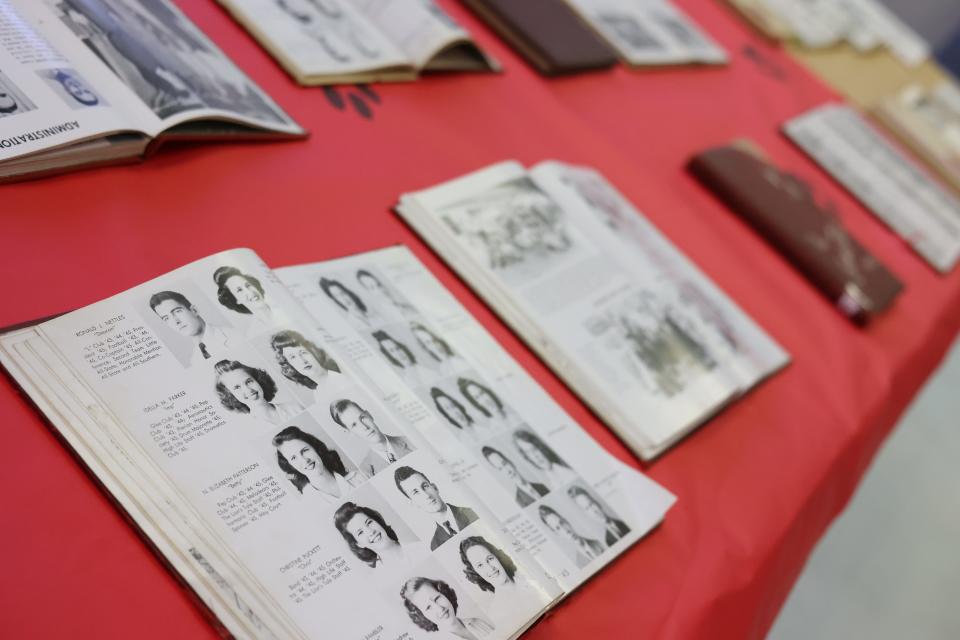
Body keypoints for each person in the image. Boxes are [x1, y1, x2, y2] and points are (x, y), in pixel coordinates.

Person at [272, 426, 365, 503]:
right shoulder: (308, 506)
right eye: (293, 458)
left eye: (305, 450)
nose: (305, 460)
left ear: (316, 448)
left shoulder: (359, 477)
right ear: (291, 466)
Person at [394, 466, 477, 551]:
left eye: (425, 486)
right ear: (413, 503)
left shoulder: (473, 513)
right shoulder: (435, 546)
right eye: (415, 492)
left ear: (435, 487)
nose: (426, 495)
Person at [149, 290, 240, 365]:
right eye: (166, 318)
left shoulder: (235, 336)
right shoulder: (194, 360)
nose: (176, 321)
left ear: (194, 310)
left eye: (177, 311)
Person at [329, 399, 413, 475]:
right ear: (350, 432)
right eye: (354, 425)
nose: (365, 427)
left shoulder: (410, 441)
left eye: (362, 418)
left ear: (369, 415)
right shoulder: (365, 472)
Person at [400, 577, 494, 639]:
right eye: (428, 607)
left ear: (445, 594)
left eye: (437, 598)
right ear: (423, 616)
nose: (439, 608)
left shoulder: (477, 622)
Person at [214, 359, 302, 424]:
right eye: (237, 387)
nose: (248, 390)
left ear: (258, 380)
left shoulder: (294, 407)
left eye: (249, 381)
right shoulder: (250, 429)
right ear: (230, 395)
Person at [333, 502, 410, 569]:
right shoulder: (379, 580)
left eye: (369, 522)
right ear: (358, 543)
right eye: (360, 532)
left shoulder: (419, 545)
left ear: (377, 521)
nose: (370, 532)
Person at [270, 330, 343, 399]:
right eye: (293, 357)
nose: (302, 360)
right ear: (289, 364)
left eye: (303, 352)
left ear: (314, 351)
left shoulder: (342, 377)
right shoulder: (319, 394)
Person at [480, 446, 548, 508]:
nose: (507, 471)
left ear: (510, 462)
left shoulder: (541, 486)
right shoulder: (519, 502)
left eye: (504, 464)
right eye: (500, 468)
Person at [213, 266, 274, 332]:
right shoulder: (255, 331)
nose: (250, 292)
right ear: (236, 299)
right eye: (239, 290)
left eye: (248, 285)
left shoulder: (282, 304)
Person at [537, 505, 604, 566]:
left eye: (562, 523)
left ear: (566, 521)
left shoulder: (599, 542)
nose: (566, 531)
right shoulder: (579, 564)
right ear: (556, 533)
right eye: (558, 528)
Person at [567, 486, 631, 546]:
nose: (594, 511)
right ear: (587, 514)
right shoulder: (608, 541)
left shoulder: (627, 521)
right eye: (587, 508)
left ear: (597, 503)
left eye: (591, 504)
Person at [511, 430, 577, 487]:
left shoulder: (568, 468)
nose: (535, 456)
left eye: (534, 449)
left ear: (541, 447)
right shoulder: (550, 482)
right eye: (528, 453)